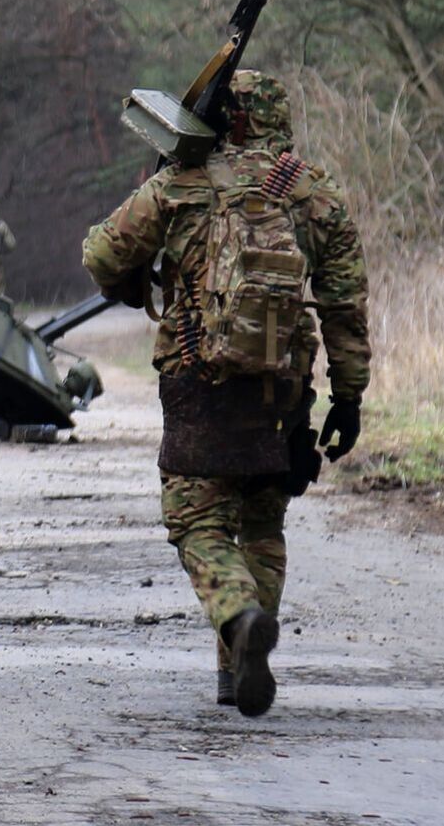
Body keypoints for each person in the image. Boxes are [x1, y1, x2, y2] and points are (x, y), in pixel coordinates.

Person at [81, 70, 370, 717]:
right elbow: (344, 301)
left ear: (222, 118)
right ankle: (238, 656)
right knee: (263, 522)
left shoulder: (180, 182)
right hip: (282, 390)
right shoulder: (314, 190)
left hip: (198, 383)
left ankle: (238, 616)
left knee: (196, 520)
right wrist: (348, 395)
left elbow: (101, 254)